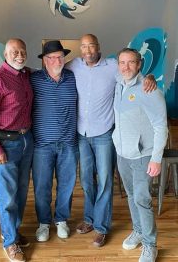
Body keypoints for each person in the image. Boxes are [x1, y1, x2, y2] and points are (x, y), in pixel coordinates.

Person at [66, 34, 156, 247]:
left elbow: (132, 72)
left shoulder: (113, 66)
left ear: (99, 47)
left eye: (91, 46)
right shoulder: (74, 65)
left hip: (104, 134)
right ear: (80, 49)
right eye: (84, 47)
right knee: (87, 179)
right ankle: (89, 219)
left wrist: (149, 76)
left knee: (106, 180)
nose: (87, 50)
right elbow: (52, 67)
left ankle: (102, 227)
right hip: (82, 134)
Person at [0, 39, 34, 262]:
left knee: (20, 193)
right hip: (5, 144)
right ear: (5, 54)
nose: (19, 55)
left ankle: (13, 231)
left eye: (22, 51)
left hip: (26, 141)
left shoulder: (26, 75)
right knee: (7, 196)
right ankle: (9, 242)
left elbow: (54, 67)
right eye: (14, 52)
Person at [112, 48, 168, 262]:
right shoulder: (119, 83)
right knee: (132, 197)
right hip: (123, 154)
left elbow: (160, 126)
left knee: (143, 200)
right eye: (122, 62)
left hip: (143, 156)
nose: (126, 67)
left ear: (140, 64)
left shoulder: (149, 89)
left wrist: (156, 158)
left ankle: (150, 245)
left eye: (131, 62)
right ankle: (138, 231)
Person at [30, 40, 78, 242]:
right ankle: (43, 223)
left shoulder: (74, 78)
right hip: (42, 144)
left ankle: (61, 220)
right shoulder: (34, 80)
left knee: (66, 185)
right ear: (45, 60)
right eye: (52, 57)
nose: (57, 60)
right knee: (42, 186)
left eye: (60, 56)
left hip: (69, 143)